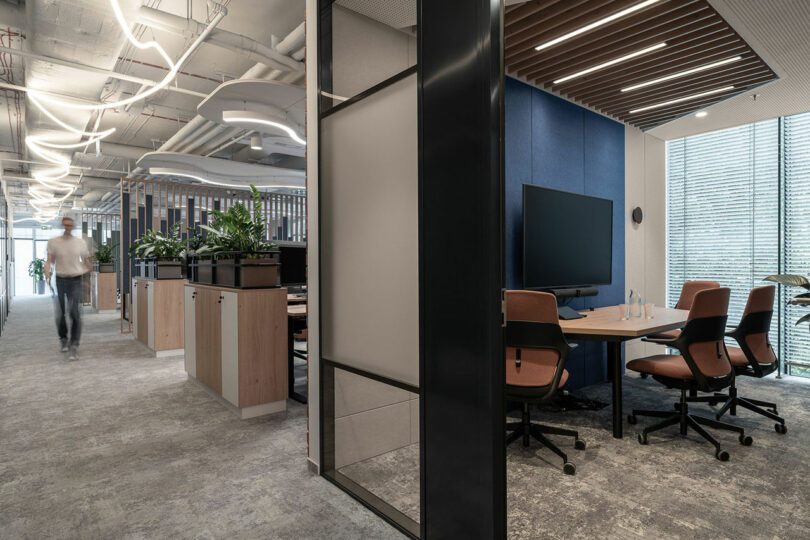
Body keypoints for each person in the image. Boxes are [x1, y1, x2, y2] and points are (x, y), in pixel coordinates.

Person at [45, 216, 91, 360]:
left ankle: (74, 345)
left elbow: (86, 262)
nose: (67, 228)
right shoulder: (54, 242)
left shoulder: (80, 243)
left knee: (75, 313)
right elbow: (49, 261)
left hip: (76, 279)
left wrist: (89, 280)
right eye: (65, 225)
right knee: (60, 314)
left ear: (73, 226)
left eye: (70, 225)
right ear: (62, 226)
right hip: (60, 279)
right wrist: (46, 271)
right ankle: (63, 339)